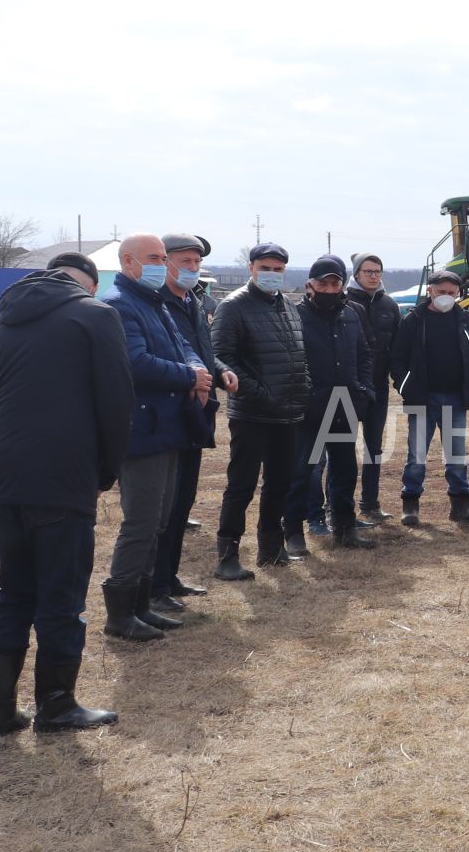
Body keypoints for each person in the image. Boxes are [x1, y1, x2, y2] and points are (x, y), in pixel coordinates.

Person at [0, 260, 132, 734]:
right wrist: (105, 470)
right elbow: (116, 400)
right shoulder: (96, 316)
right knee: (61, 591)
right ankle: (56, 703)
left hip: (6, 471)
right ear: (85, 286)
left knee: (15, 588)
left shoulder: (2, 326)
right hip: (63, 471)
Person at [100, 234, 210, 641]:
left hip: (168, 427)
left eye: (163, 258)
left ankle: (142, 604)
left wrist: (197, 371)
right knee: (142, 522)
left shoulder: (154, 302)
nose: (160, 265)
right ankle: (120, 613)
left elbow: (185, 347)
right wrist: (190, 377)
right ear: (127, 261)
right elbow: (136, 362)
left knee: (160, 518)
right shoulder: (118, 305)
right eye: (153, 257)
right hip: (142, 430)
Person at [212, 244, 311, 576]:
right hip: (252, 413)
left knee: (280, 482)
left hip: (288, 413)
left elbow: (299, 354)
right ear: (251, 268)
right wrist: (260, 393)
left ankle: (271, 547)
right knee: (241, 485)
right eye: (266, 267)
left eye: (278, 268)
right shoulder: (233, 306)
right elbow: (222, 358)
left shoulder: (288, 306)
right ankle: (228, 555)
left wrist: (304, 387)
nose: (272, 274)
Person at [151, 234, 236, 614]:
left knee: (182, 501)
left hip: (197, 413)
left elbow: (202, 352)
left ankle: (169, 577)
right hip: (170, 413)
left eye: (196, 263)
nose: (191, 269)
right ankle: (154, 585)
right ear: (163, 262)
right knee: (162, 507)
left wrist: (220, 371)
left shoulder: (193, 301)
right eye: (184, 261)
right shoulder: (156, 304)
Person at [287, 256, 376, 552]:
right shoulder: (293, 315)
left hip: (345, 405)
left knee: (345, 470)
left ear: (342, 284)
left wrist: (364, 390)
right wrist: (302, 395)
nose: (328, 289)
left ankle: (344, 527)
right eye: (322, 283)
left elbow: (364, 354)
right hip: (309, 408)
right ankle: (293, 533)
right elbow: (290, 360)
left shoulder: (354, 313)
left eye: (334, 283)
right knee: (302, 470)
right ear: (309, 284)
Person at [391, 269, 469, 528]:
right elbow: (397, 359)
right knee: (417, 456)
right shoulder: (413, 321)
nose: (446, 297)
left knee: (456, 456)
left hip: (455, 399)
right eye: (441, 292)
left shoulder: (465, 320)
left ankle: (460, 506)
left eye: (451, 293)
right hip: (421, 398)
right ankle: (410, 506)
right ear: (430, 291)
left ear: (458, 294)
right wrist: (406, 387)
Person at [345, 252, 402, 523]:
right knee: (341, 449)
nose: (373, 276)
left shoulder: (389, 306)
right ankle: (339, 507)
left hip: (378, 389)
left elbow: (399, 348)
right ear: (356, 274)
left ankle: (370, 503)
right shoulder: (342, 303)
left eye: (377, 271)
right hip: (347, 389)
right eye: (368, 271)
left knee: (374, 447)